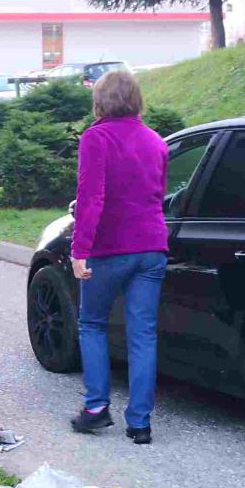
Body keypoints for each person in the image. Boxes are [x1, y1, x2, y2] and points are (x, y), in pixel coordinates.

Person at [69, 68, 169, 445]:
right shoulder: (156, 141)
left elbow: (91, 198)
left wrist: (80, 250)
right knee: (142, 334)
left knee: (92, 324)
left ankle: (96, 409)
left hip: (110, 248)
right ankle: (140, 423)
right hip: (152, 247)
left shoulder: (96, 138)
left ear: (100, 102)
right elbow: (157, 195)